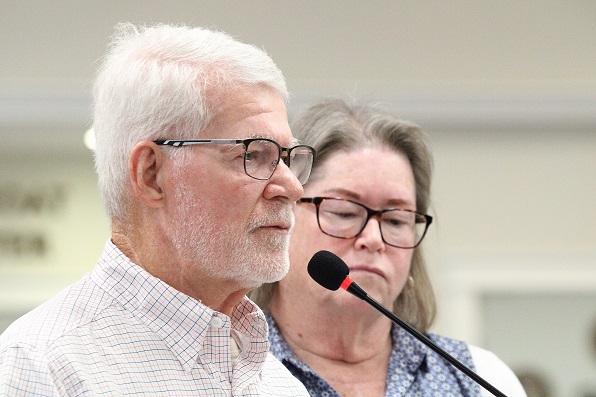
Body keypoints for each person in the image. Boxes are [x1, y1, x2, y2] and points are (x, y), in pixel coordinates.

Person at [0, 23, 314, 396]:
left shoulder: (280, 385)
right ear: (150, 174)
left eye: (286, 157)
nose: (292, 188)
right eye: (253, 155)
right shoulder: (41, 368)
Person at [250, 98, 527, 397]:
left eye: (396, 220)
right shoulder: (228, 369)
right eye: (344, 212)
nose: (374, 239)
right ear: (284, 215)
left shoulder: (481, 377)